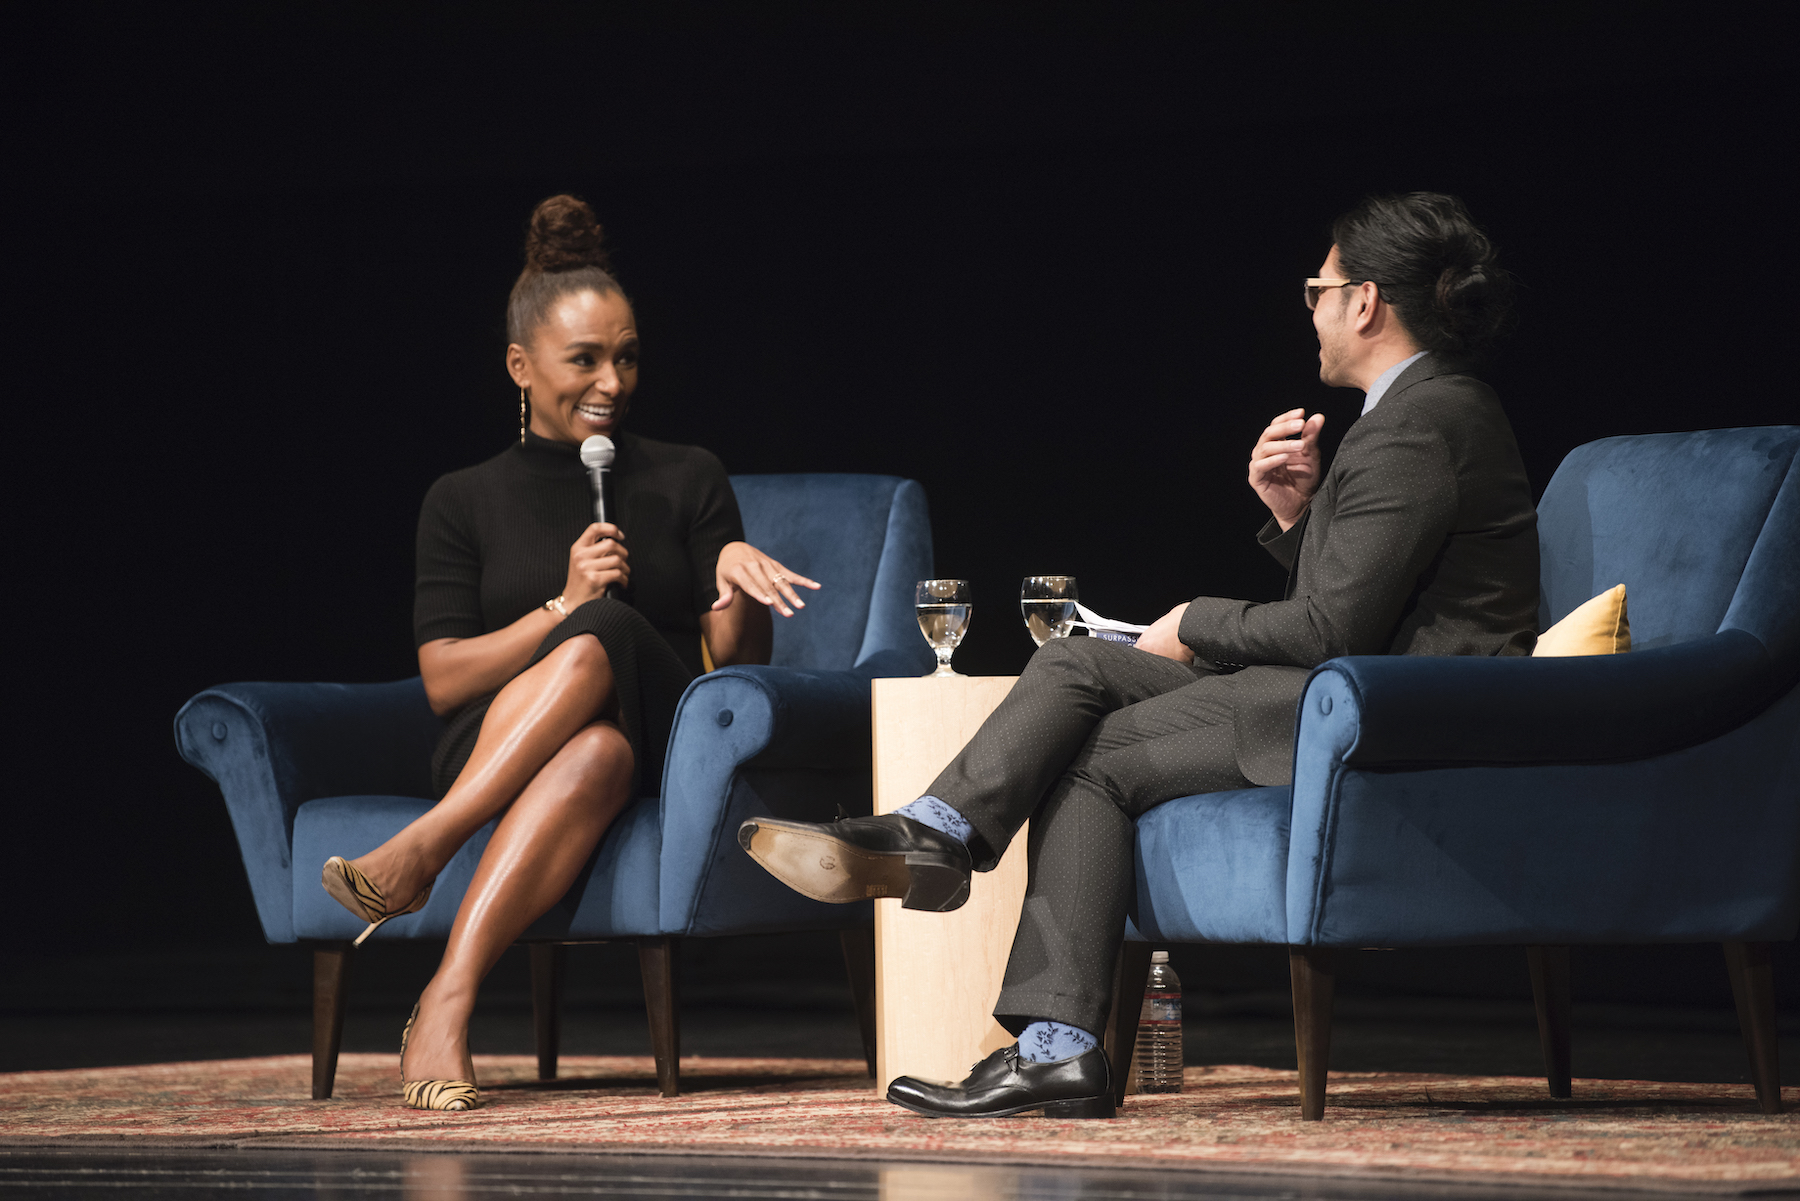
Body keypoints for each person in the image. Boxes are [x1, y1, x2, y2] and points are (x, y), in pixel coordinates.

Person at [739, 192, 1539, 1119]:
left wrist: (1193, 617)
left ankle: (1044, 1021)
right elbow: (1360, 600)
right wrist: (1297, 518)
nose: (1310, 309)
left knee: (1093, 756)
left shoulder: (1415, 424)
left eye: (1318, 289)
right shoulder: (1424, 413)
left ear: (1366, 303)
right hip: (1347, 691)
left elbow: (1331, 632)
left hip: (1388, 711)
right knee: (1076, 667)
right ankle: (943, 845)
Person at [321, 195, 820, 1111]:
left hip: (665, 721)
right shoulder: (460, 499)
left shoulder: (687, 474)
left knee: (610, 632)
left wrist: (734, 590)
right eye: (583, 359)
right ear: (520, 365)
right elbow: (442, 681)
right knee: (594, 738)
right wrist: (563, 603)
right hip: (509, 738)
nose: (612, 381)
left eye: (626, 356)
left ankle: (426, 846)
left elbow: (736, 663)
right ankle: (447, 1001)